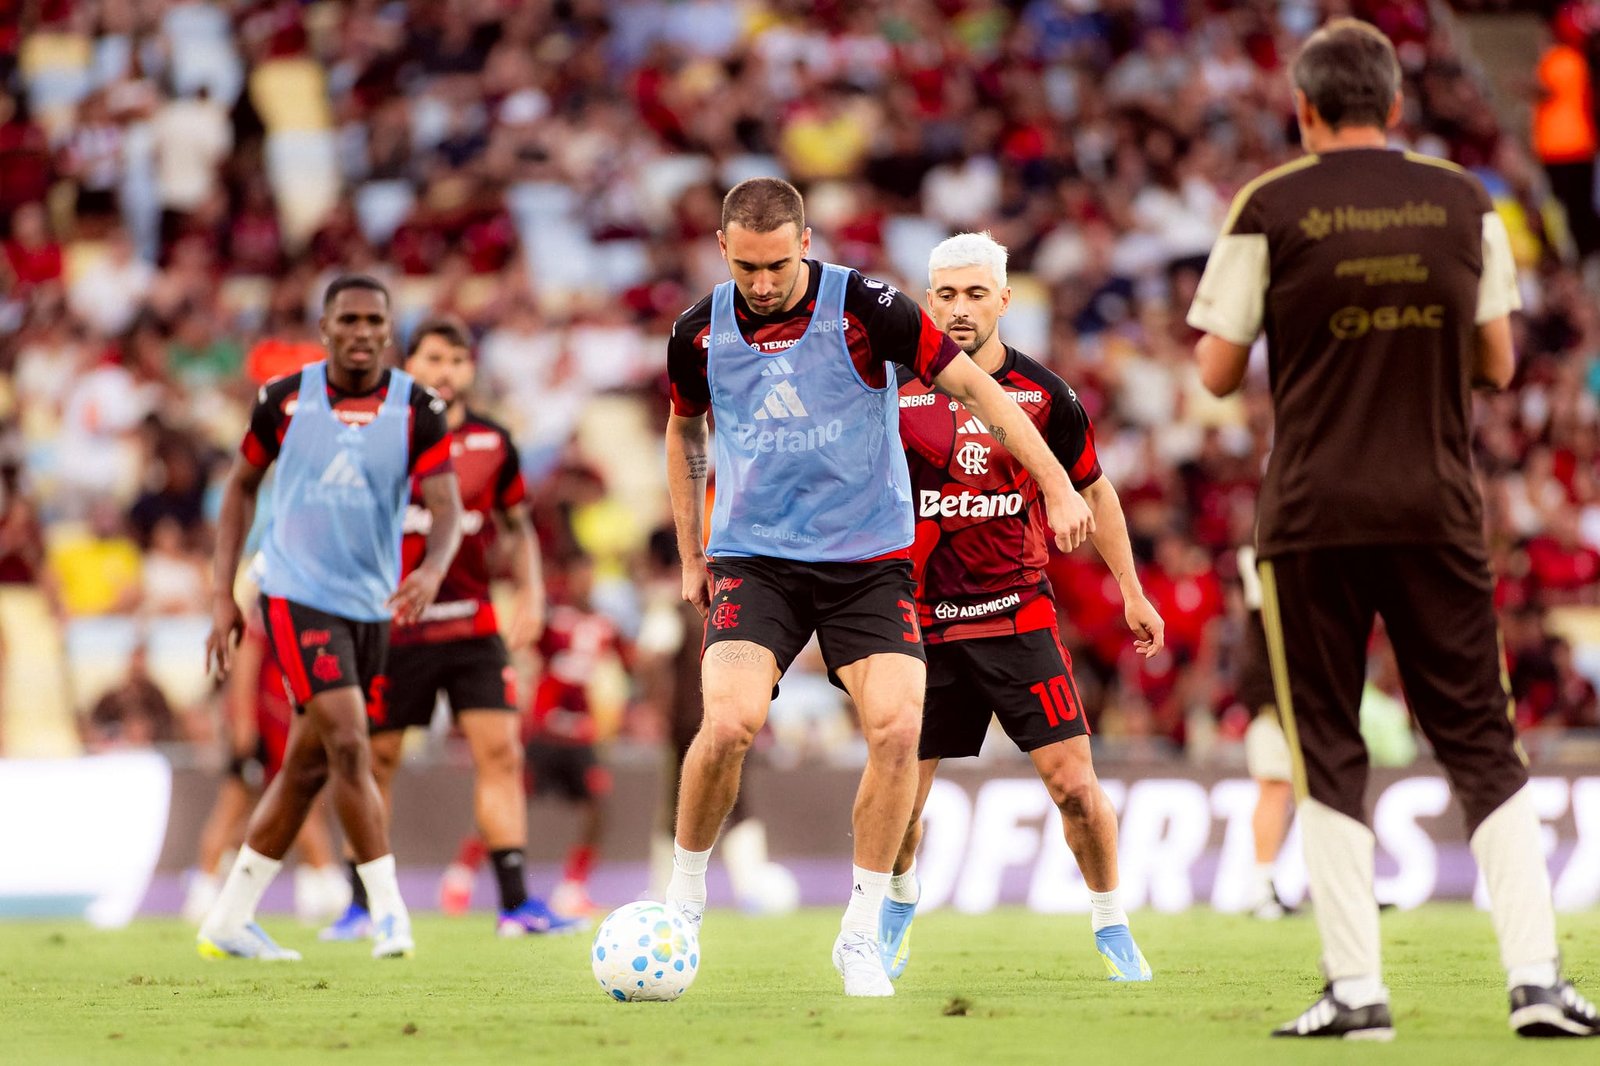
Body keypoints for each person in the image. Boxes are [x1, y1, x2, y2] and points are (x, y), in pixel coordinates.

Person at [1189, 19, 1598, 1039]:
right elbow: (1498, 363)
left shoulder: (1268, 204)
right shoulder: (1463, 199)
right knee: (1481, 739)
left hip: (1312, 515)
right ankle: (1537, 980)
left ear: (1304, 110)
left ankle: (1357, 992)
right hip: (1435, 507)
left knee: (1325, 747)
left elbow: (1212, 368)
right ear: (1397, 107)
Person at [663, 178, 1093, 997]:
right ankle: (684, 902)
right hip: (758, 559)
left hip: (868, 562)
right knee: (728, 723)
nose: (761, 284)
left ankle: (861, 934)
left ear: (807, 243)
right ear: (722, 249)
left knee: (899, 730)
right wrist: (692, 554)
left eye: (778, 265)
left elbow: (978, 389)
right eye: (747, 267)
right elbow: (684, 429)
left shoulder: (867, 308)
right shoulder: (696, 333)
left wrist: (1059, 484)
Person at [884, 231, 1163, 983]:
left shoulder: (1046, 394)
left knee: (1075, 786)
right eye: (945, 294)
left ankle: (1112, 928)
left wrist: (1131, 590)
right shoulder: (889, 388)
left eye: (977, 293)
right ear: (926, 298)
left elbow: (1095, 489)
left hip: (1017, 615)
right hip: (920, 625)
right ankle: (895, 911)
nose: (960, 308)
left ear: (1006, 299)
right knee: (900, 804)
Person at [198, 274, 463, 961]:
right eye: (347, 319)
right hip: (293, 591)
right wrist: (224, 592)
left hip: (370, 605)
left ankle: (229, 918)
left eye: (374, 320)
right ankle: (390, 913)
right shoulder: (283, 401)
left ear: (389, 331)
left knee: (309, 766)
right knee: (349, 742)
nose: (361, 332)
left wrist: (431, 571)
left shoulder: (417, 410)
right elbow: (240, 490)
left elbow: (446, 509)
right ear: (324, 329)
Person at [317, 316, 577, 941]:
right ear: (410, 364)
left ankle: (515, 904)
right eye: (434, 358)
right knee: (373, 760)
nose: (446, 371)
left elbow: (517, 529)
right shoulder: (376, 437)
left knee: (501, 754)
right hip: (391, 629)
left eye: (458, 360)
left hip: (471, 626)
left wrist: (533, 596)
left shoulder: (492, 442)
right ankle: (362, 904)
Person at [183, 607, 347, 927]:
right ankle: (204, 886)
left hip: (284, 724)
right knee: (237, 806)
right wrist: (245, 727)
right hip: (264, 725)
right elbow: (246, 662)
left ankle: (313, 883)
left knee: (289, 807)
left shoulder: (294, 599)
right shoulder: (267, 605)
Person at [1235, 545, 1298, 921]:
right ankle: (1260, 884)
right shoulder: (1260, 558)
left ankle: (1264, 884)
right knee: (1274, 791)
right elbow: (1266, 613)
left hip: (1296, 705)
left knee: (1321, 795)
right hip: (1276, 705)